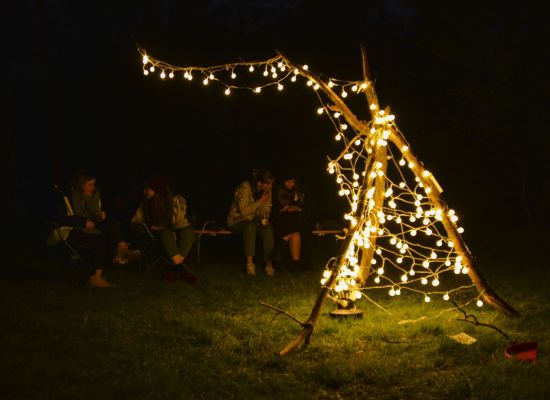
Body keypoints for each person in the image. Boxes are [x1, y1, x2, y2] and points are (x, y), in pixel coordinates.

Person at [68, 171, 140, 287]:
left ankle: (121, 249)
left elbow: (97, 212)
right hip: (78, 227)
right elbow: (69, 217)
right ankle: (96, 277)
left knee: (109, 221)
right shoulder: (73, 197)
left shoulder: (96, 195)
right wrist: (84, 222)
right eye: (90, 185)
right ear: (81, 185)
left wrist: (102, 214)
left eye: (94, 184)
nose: (93, 187)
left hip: (93, 223)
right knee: (99, 239)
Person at [131, 175, 197, 284]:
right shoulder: (146, 204)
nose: (144, 191)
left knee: (188, 231)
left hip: (177, 230)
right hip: (160, 234)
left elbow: (180, 221)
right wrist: (150, 225)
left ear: (157, 189)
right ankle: (182, 271)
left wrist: (172, 228)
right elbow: (135, 221)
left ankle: (173, 270)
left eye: (147, 188)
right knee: (165, 233)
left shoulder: (174, 200)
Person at [227, 168, 275, 276]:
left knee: (268, 229)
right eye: (268, 184)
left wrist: (265, 216)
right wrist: (260, 201)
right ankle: (250, 264)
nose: (270, 187)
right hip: (237, 220)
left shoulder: (268, 191)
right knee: (250, 226)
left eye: (271, 184)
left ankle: (269, 265)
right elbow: (243, 211)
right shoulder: (245, 187)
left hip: (254, 220)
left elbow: (266, 209)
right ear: (259, 183)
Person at [274, 170, 310, 269]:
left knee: (296, 231)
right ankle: (295, 264)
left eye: (292, 182)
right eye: (288, 181)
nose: (290, 184)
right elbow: (279, 206)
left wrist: (296, 208)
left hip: (292, 220)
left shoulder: (297, 190)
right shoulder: (278, 190)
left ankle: (280, 249)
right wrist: (286, 208)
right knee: (296, 223)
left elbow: (300, 205)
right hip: (280, 219)